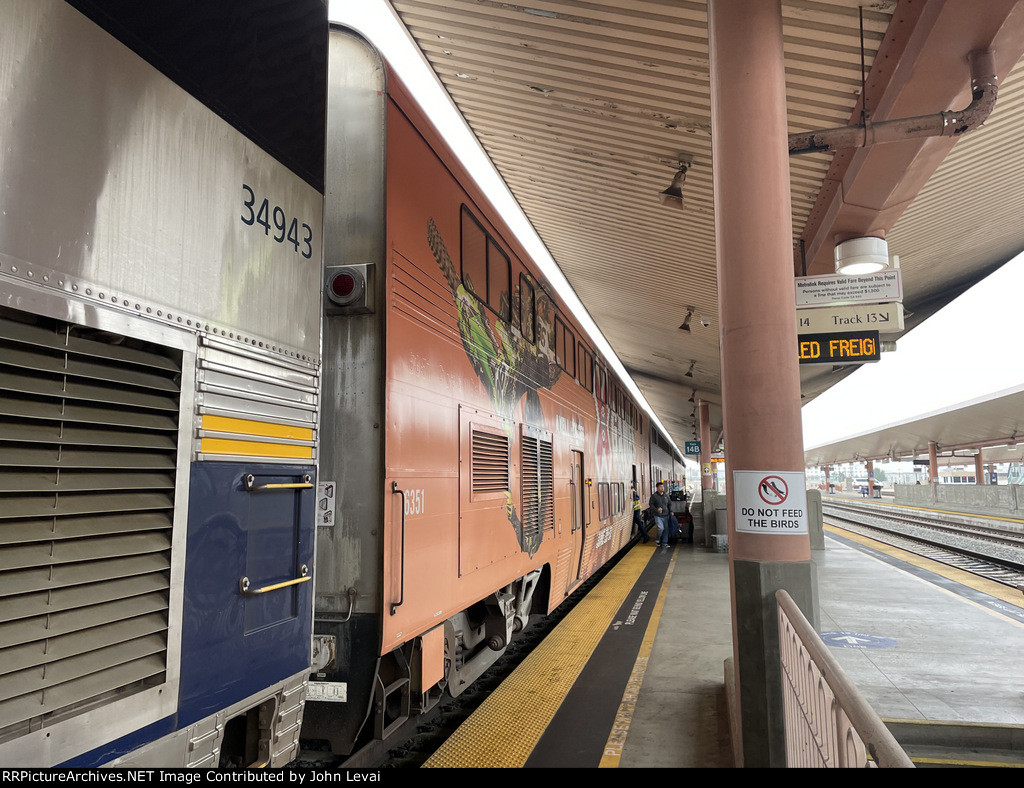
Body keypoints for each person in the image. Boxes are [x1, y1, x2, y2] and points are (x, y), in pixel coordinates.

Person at [649, 481, 671, 548]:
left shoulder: (666, 495)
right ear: (657, 488)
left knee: (666, 529)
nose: (662, 488)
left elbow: (669, 504)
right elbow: (651, 505)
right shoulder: (654, 496)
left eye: (663, 486)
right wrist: (656, 510)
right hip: (657, 515)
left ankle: (664, 543)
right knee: (660, 528)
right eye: (660, 487)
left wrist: (671, 511)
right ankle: (658, 539)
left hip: (665, 515)